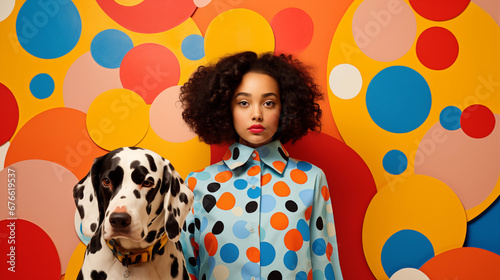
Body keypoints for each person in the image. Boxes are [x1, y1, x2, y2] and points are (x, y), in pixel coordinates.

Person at [179, 51, 343, 280]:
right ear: (226, 108)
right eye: (243, 103)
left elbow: (324, 265)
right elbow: (185, 268)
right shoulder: (197, 184)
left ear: (284, 108)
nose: (257, 114)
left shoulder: (311, 179)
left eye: (268, 103)